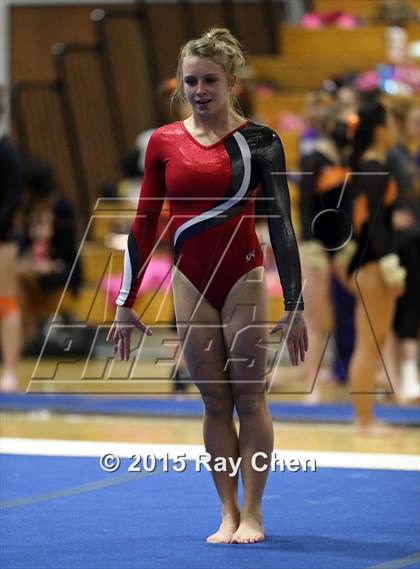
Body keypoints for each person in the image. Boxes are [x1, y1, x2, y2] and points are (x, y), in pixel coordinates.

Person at [107, 28, 308, 544]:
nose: (199, 89)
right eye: (190, 80)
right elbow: (145, 224)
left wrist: (295, 302)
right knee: (214, 402)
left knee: (250, 397)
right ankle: (227, 510)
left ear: (232, 81)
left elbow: (282, 223)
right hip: (189, 281)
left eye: (210, 80)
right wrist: (125, 302)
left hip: (242, 274)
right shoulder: (163, 142)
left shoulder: (260, 142)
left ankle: (255, 511)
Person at [345, 100, 406, 435]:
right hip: (371, 265)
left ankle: (366, 418)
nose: (396, 130)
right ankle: (363, 420)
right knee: (369, 343)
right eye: (393, 124)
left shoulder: (373, 165)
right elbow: (375, 229)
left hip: (371, 263)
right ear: (381, 130)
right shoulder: (373, 167)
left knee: (375, 340)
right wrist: (389, 268)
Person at [388, 100, 420, 402]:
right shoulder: (393, 156)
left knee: (412, 305)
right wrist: (391, 216)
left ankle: (406, 374)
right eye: (415, 120)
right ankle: (404, 375)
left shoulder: (412, 155)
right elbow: (371, 197)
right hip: (399, 241)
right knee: (404, 307)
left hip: (414, 236)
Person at [0, 87, 24, 392]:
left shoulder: (5, 152)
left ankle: (10, 369)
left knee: (5, 302)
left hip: (1, 240)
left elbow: (11, 199)